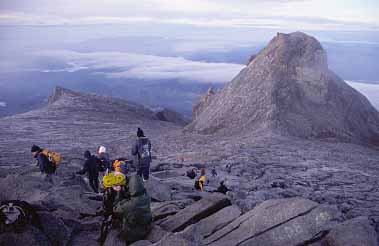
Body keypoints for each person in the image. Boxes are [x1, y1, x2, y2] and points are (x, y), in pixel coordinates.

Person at [101, 173, 152, 244]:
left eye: (113, 186)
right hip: (145, 218)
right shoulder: (135, 189)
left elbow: (117, 209)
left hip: (139, 230)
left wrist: (117, 194)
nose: (113, 188)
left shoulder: (134, 202)